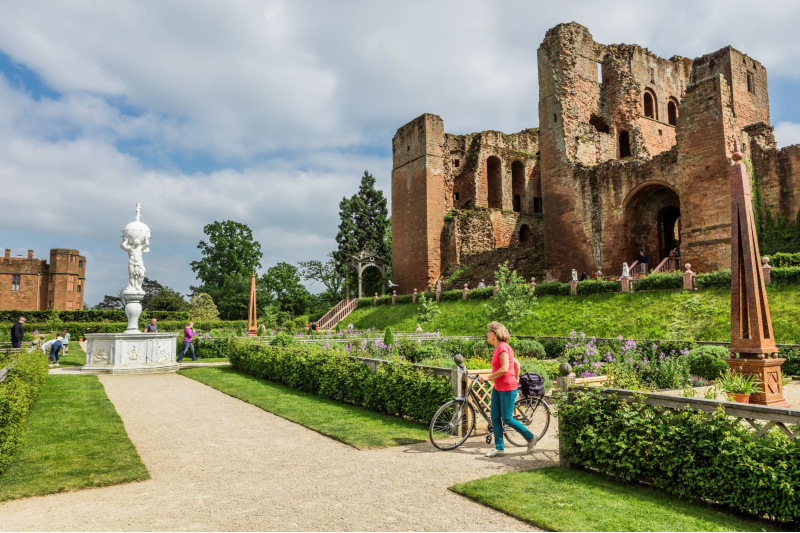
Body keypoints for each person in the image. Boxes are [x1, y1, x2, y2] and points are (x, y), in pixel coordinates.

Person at [478, 321, 538, 457]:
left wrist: (489, 377)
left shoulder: (503, 348)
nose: (487, 334)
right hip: (498, 387)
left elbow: (505, 368)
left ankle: (531, 438)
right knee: (494, 417)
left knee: (507, 418)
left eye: (489, 332)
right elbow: (517, 364)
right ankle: (499, 448)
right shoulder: (499, 347)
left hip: (507, 388)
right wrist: (516, 378)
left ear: (495, 334)